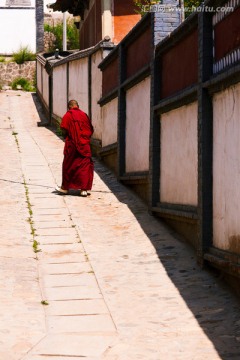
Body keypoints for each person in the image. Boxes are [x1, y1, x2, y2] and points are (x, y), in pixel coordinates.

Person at [55, 99, 94, 197]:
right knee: (84, 167)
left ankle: (65, 189)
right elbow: (90, 129)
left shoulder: (68, 115)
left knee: (68, 166)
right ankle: (83, 190)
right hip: (84, 145)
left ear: (69, 107)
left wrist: (66, 136)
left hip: (72, 145)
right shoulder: (85, 115)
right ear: (78, 106)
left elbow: (63, 128)